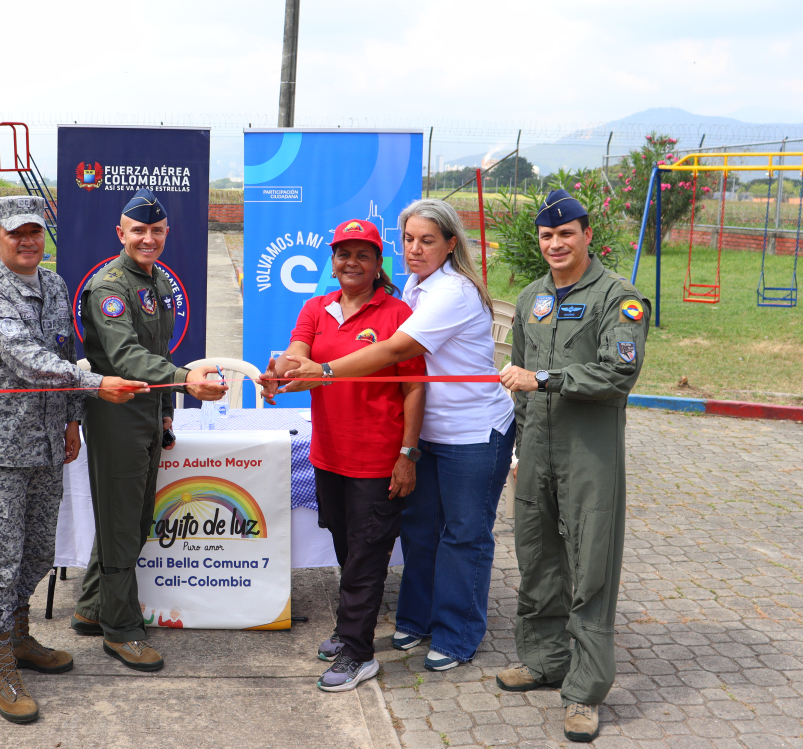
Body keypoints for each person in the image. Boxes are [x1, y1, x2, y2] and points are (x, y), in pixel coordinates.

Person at [269, 199, 516, 672]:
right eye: (409, 240)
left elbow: (396, 350)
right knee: (420, 532)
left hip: (470, 432)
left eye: (427, 240)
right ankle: (418, 619)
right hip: (426, 434)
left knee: (464, 536)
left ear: (450, 244)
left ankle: (457, 634)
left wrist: (321, 370)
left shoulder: (453, 291)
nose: (416, 249)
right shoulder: (414, 287)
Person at [0, 196, 149, 723]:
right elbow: (29, 360)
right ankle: (0, 665)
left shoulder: (56, 286)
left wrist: (70, 419)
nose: (27, 242)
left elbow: (63, 353)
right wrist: (95, 384)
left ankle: (19, 638)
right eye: (16, 233)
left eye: (35, 232)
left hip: (45, 446)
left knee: (40, 552)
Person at [496, 189, 649, 743]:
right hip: (536, 447)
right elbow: (518, 371)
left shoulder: (620, 298)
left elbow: (616, 375)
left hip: (590, 454)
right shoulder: (531, 297)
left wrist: (547, 381)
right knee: (536, 556)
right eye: (546, 236)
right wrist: (518, 444)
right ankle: (544, 660)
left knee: (591, 569)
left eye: (566, 233)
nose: (556, 243)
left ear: (587, 236)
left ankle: (584, 691)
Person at [260, 218, 426, 693]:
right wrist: (278, 373)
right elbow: (297, 356)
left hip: (378, 459)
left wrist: (407, 453)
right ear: (332, 262)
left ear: (378, 264)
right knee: (346, 546)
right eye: (343, 254)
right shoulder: (316, 307)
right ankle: (349, 628)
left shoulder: (397, 315)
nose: (351, 262)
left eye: (362, 254)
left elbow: (415, 387)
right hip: (329, 455)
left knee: (367, 559)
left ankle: (358, 652)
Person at [72, 189, 227, 672]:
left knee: (133, 520)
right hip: (116, 417)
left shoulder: (156, 280)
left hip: (145, 415)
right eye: (139, 231)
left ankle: (92, 607)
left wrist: (165, 411)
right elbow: (126, 359)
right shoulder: (109, 287)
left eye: (157, 231)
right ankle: (121, 630)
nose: (149, 238)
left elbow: (156, 349)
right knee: (123, 527)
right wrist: (186, 380)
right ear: (121, 234)